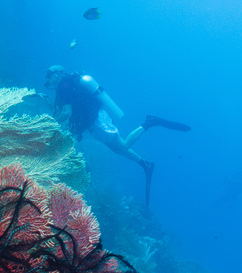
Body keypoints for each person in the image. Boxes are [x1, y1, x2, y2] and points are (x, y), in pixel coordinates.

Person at [43, 65, 190, 204]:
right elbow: (63, 111)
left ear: (56, 74)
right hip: (93, 121)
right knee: (117, 149)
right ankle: (145, 164)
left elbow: (66, 113)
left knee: (123, 145)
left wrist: (49, 124)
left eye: (49, 77)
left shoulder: (65, 85)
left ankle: (149, 123)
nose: (49, 82)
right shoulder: (67, 85)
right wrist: (45, 102)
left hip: (96, 121)